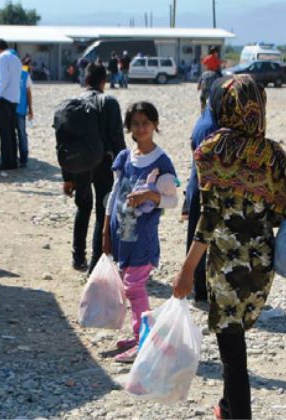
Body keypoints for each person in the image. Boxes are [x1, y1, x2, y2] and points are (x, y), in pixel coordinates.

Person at [173, 74, 286, 419]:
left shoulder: (209, 151)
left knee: (232, 349)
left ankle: (238, 413)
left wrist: (187, 270)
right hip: (261, 262)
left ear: (224, 105)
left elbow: (208, 218)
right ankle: (226, 407)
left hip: (225, 262)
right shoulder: (271, 153)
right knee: (236, 338)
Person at [102, 101, 178, 363]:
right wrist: (106, 228)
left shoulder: (162, 162)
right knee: (129, 286)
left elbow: (172, 200)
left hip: (143, 238)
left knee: (134, 287)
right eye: (135, 123)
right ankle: (141, 335)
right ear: (128, 127)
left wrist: (150, 195)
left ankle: (144, 341)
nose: (141, 128)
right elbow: (115, 193)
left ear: (155, 124)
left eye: (146, 122)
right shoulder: (125, 157)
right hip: (121, 234)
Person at [62, 62, 126, 272]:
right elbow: (117, 139)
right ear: (104, 81)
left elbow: (65, 143)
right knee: (102, 211)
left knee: (83, 207)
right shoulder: (109, 102)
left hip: (79, 165)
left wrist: (67, 177)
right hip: (103, 165)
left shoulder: (73, 104)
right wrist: (125, 170)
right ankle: (96, 263)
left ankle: (77, 257)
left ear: (86, 79)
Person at [185, 86, 219, 303]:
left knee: (198, 237)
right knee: (202, 238)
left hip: (197, 186)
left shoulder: (207, 118)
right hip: (204, 189)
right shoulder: (212, 126)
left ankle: (199, 286)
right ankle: (200, 289)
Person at [0, 38, 22, 170]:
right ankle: (13, 161)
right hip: (15, 98)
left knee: (4, 133)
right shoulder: (16, 58)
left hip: (5, 98)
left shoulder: (3, 57)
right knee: (11, 132)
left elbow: (3, 79)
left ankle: (6, 162)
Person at [15, 57, 34, 168]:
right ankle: (13, 157)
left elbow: (28, 93)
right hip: (10, 109)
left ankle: (23, 158)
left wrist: (30, 109)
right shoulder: (10, 74)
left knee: (21, 134)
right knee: (16, 134)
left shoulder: (25, 75)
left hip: (20, 109)